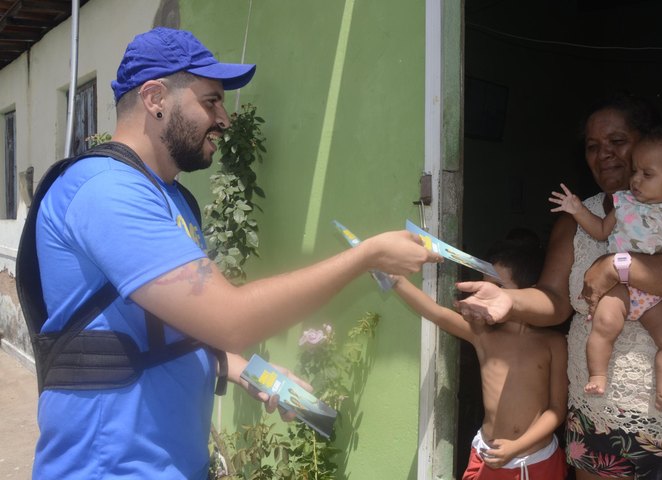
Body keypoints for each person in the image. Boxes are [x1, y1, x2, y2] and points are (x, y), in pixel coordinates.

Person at [31, 27, 441, 479]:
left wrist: (242, 369)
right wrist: (366, 257)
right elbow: (231, 320)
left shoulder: (171, 198)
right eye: (211, 102)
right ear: (155, 99)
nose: (224, 119)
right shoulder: (107, 191)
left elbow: (160, 329)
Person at [455, 93, 662, 479]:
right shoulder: (577, 218)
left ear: (647, 143)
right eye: (592, 146)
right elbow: (555, 300)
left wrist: (618, 266)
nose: (603, 153)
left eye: (617, 141)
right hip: (597, 410)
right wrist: (510, 300)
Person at [548, 127, 662, 416]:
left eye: (647, 174)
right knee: (604, 324)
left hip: (659, 290)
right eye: (635, 171)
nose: (635, 180)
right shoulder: (624, 203)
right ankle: (598, 376)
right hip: (619, 287)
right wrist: (577, 210)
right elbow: (601, 231)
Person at [393, 232, 568, 480]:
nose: (487, 295)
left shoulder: (554, 343)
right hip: (487, 456)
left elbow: (557, 410)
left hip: (535, 462)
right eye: (485, 284)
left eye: (498, 286)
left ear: (529, 293)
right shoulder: (483, 336)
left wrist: (516, 447)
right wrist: (395, 280)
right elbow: (437, 313)